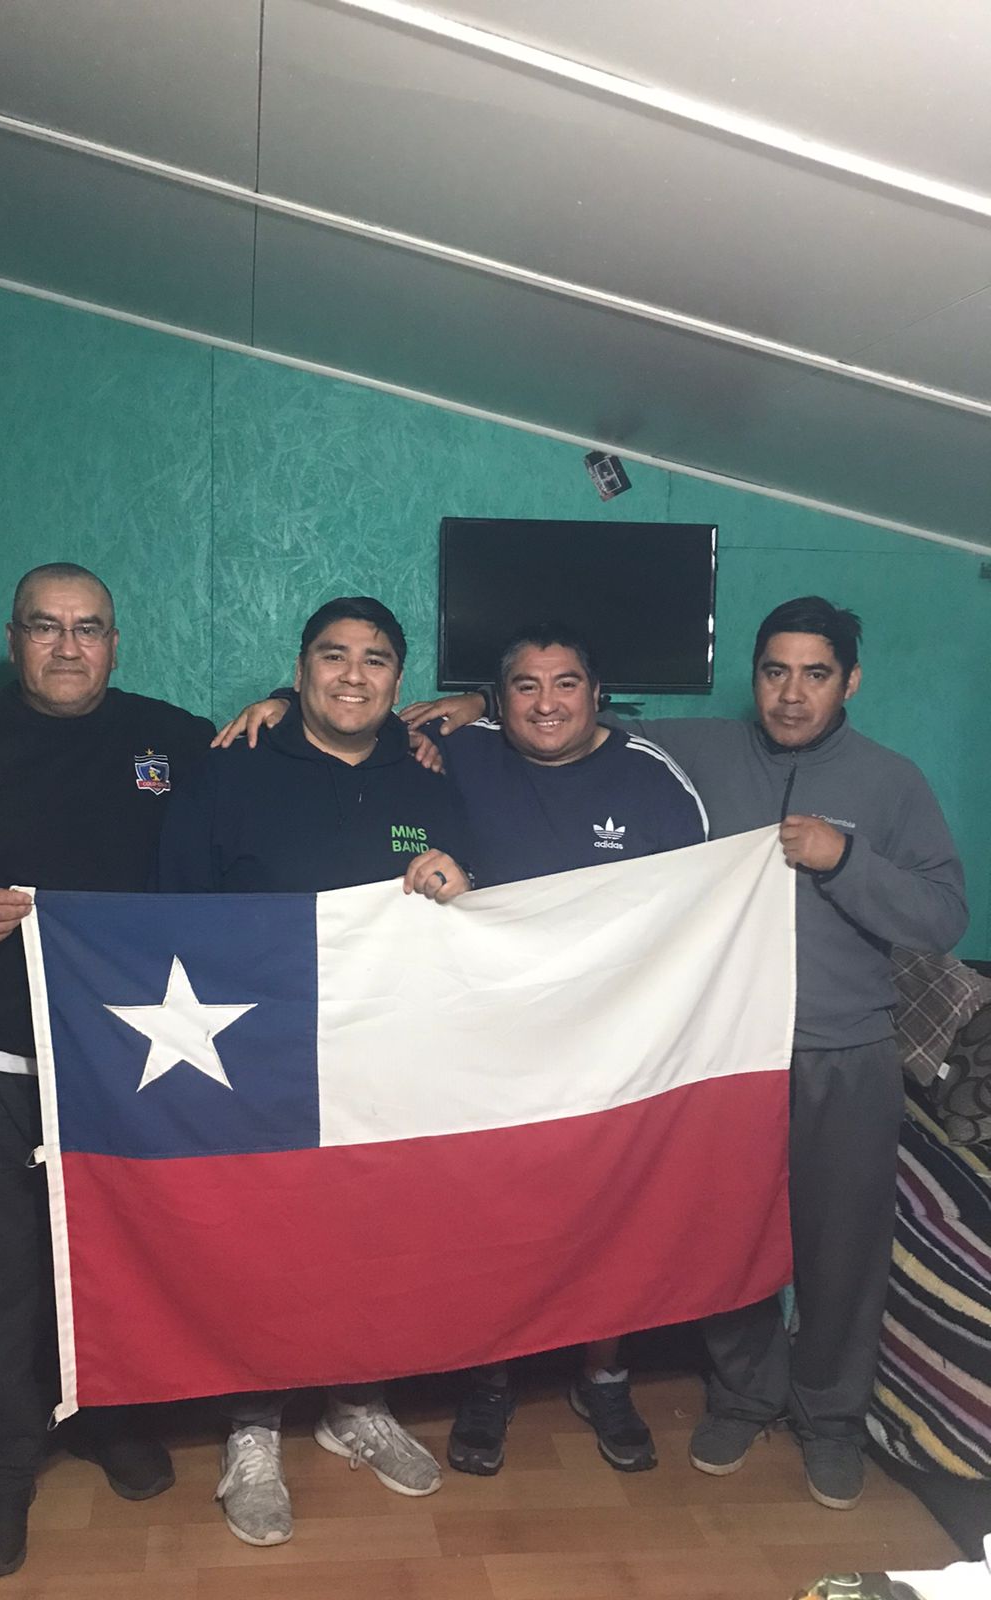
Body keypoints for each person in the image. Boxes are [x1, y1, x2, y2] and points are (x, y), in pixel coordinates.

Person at [393, 594, 969, 1511]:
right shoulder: (700, 751)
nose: (790, 693)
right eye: (774, 671)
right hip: (719, 1048)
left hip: (842, 1050)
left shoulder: (890, 782)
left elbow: (944, 918)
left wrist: (844, 859)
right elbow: (581, 721)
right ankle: (745, 1397)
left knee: (841, 1247)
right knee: (723, 1235)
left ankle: (830, 1423)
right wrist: (475, 706)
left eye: (814, 674)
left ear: (849, 681)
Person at [212, 620, 708, 1478]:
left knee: (609, 1205)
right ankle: (491, 1376)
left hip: (612, 1033)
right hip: (489, 1036)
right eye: (524, 687)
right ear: (497, 701)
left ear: (598, 694)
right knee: (495, 1212)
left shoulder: (652, 776)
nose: (546, 703)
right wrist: (282, 701)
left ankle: (606, 1373)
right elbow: (351, 703)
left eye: (566, 684)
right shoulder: (454, 751)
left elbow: (702, 905)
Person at [0, 563, 215, 1579]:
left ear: (119, 641)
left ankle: (111, 1422)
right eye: (45, 627)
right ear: (14, 637)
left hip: (124, 1067)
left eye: (89, 628)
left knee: (116, 1259)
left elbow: (283, 772)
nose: (68, 647)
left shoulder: (176, 741)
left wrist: (429, 718)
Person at [158, 596, 471, 1548]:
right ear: (297, 669)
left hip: (383, 1058)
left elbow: (467, 925)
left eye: (375, 660)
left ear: (398, 680)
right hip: (253, 1054)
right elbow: (171, 911)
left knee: (370, 1230)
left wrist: (461, 888)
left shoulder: (429, 782)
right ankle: (253, 1425)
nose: (352, 675)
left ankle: (355, 1402)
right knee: (261, 1237)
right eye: (332, 656)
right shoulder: (229, 771)